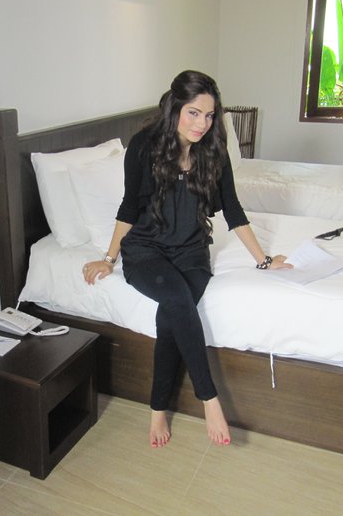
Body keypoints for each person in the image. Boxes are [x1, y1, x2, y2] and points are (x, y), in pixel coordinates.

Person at [82, 70, 291, 448]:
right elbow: (129, 206)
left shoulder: (213, 150)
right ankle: (210, 399)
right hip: (146, 250)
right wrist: (109, 258)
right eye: (194, 113)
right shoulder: (144, 145)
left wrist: (263, 260)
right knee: (178, 300)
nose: (202, 124)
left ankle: (157, 408)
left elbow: (233, 209)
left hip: (192, 251)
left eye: (209, 115)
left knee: (171, 314)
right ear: (175, 107)